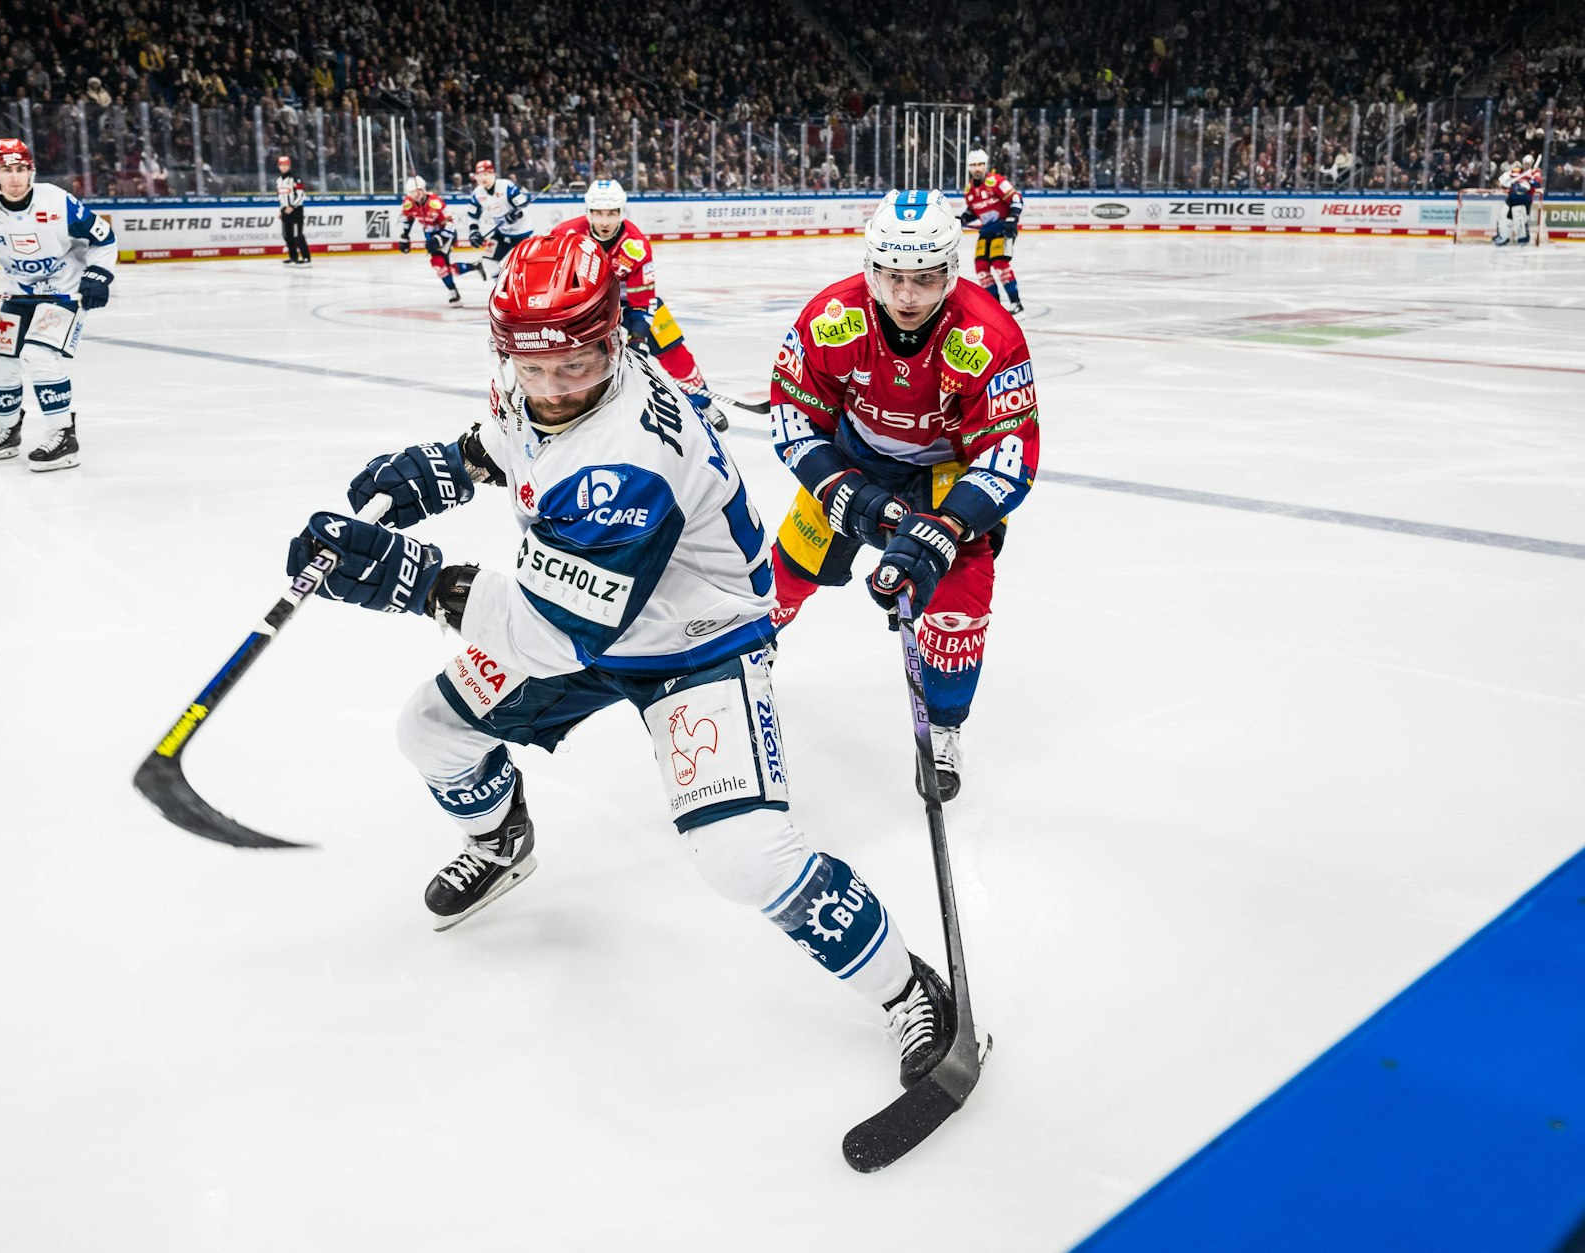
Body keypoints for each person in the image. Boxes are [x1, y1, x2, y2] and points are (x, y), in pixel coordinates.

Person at [283, 232, 963, 1096]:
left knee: (742, 856)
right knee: (431, 729)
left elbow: (555, 637)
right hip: (583, 605)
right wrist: (448, 467)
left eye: (576, 366)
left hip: (695, 644)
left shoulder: (630, 460)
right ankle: (502, 841)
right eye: (535, 369)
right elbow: (515, 430)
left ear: (613, 338)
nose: (555, 387)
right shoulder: (548, 358)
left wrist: (412, 579)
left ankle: (909, 989)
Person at [765, 190, 1039, 800]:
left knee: (962, 588)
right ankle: (750, 654)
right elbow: (791, 421)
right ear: (871, 268)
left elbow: (1007, 453)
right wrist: (842, 490)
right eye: (892, 277)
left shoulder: (991, 334)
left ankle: (941, 728)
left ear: (952, 270)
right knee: (788, 567)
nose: (907, 296)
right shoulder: (829, 318)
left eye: (925, 277)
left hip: (945, 472)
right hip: (853, 458)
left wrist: (953, 525)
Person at [0, 138, 117, 471]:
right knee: (2, 360)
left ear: (31, 171)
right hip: (19, 293)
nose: (14, 178)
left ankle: (63, 435)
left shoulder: (58, 201)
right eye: (5, 170)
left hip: (64, 291)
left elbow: (103, 238)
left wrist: (99, 274)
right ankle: (7, 431)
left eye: (20, 169)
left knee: (39, 354)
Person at [551, 178, 729, 431]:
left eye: (611, 213)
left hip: (625, 302)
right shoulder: (565, 235)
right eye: (598, 213)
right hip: (585, 305)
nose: (604, 221)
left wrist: (638, 337)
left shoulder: (636, 246)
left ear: (621, 212)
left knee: (668, 341)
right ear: (588, 212)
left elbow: (643, 301)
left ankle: (701, 401)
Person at [959, 149, 1025, 314]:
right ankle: (995, 308)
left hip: (1003, 228)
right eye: (973, 165)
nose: (977, 168)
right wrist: (962, 219)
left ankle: (1016, 304)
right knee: (981, 266)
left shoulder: (996, 181)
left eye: (980, 164)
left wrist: (1013, 218)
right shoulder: (969, 190)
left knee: (1000, 264)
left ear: (986, 165)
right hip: (986, 231)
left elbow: (1016, 198)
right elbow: (973, 210)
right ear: (968, 167)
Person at [397, 174, 481, 303]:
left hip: (445, 235)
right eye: (413, 192)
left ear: (423, 189)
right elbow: (408, 219)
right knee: (444, 268)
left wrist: (439, 240)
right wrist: (405, 237)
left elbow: (450, 224)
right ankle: (474, 267)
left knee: (438, 264)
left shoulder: (435, 203)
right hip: (430, 236)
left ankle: (454, 293)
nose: (416, 194)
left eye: (419, 190)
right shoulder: (408, 203)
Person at [463, 158, 532, 282]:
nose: (483, 177)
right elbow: (472, 215)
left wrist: (515, 214)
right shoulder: (477, 193)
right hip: (501, 232)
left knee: (527, 266)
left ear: (493, 174)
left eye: (486, 174)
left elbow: (522, 203)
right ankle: (503, 288)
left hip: (521, 233)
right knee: (488, 260)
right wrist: (474, 231)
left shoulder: (506, 186)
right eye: (479, 175)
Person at [1495, 157, 1542, 246]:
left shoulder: (1535, 172)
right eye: (1525, 163)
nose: (1526, 165)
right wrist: (1508, 182)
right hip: (1512, 198)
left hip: (1525, 199)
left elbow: (1538, 182)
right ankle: (1503, 237)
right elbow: (1502, 179)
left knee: (1521, 220)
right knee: (1503, 216)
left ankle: (1523, 238)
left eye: (1528, 163)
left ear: (1531, 164)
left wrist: (1527, 182)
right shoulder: (1516, 170)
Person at [276, 154, 309, 264]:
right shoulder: (279, 180)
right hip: (285, 210)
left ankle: (306, 257)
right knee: (287, 235)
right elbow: (280, 196)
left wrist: (293, 206)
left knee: (297, 235)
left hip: (296, 210)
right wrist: (281, 209)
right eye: (281, 165)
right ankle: (293, 257)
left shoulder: (295, 178)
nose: (284, 167)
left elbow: (301, 195)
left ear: (289, 165)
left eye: (286, 165)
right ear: (278, 166)